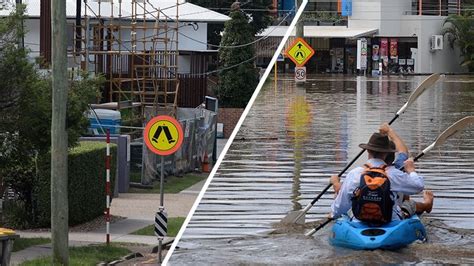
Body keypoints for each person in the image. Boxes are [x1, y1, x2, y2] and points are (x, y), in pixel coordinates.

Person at [330, 132, 424, 222]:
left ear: (368, 150)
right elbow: (418, 186)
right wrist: (411, 170)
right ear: (386, 153)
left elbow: (340, 207)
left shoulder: (355, 173)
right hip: (390, 221)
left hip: (359, 221)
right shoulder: (393, 174)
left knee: (344, 202)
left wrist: (333, 214)